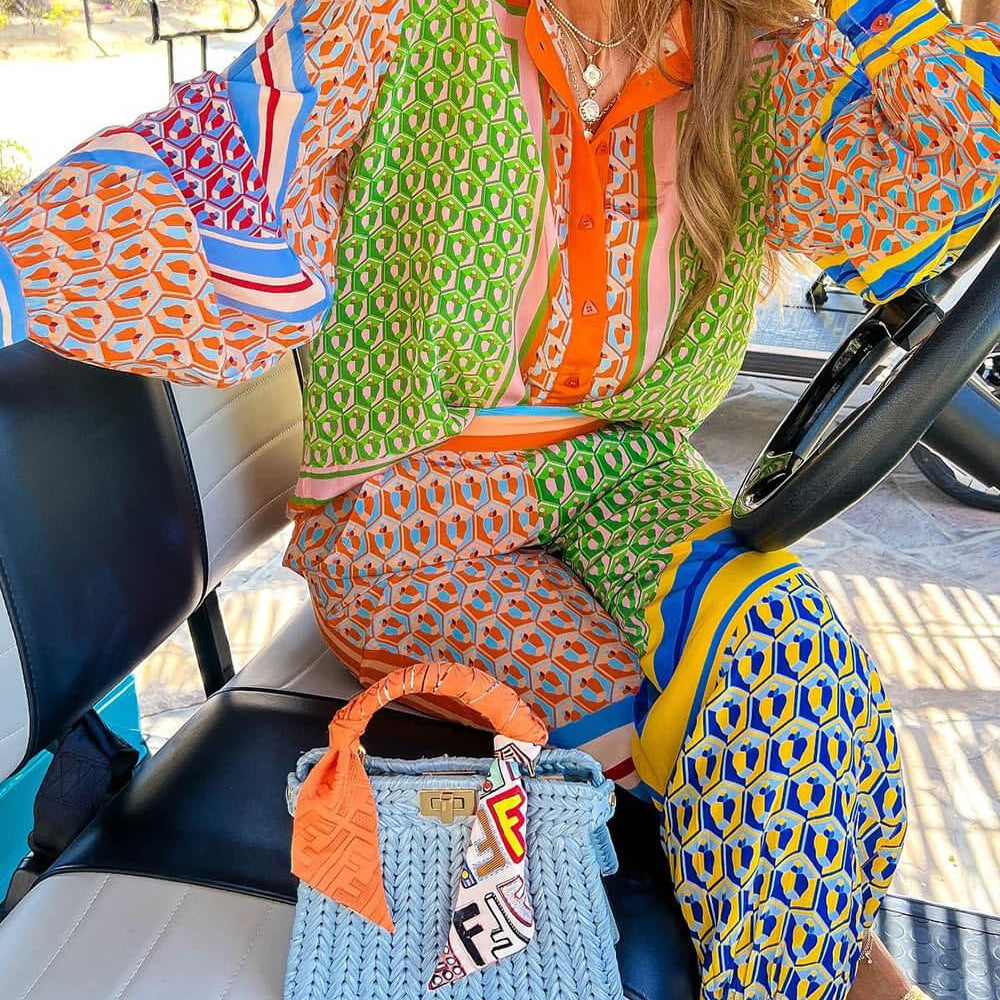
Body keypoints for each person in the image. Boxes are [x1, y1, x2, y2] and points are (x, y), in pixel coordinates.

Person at [1, 0, 997, 995]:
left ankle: (839, 971)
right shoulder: (402, 18)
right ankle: (847, 976)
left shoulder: (758, 45)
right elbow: (213, 174)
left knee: (794, 661)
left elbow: (925, 181)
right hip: (411, 507)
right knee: (707, 742)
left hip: (626, 467)